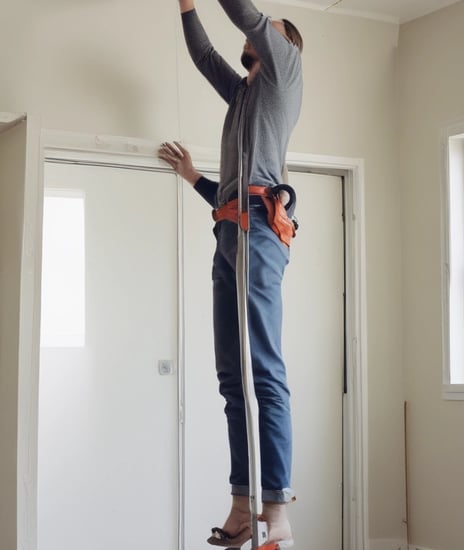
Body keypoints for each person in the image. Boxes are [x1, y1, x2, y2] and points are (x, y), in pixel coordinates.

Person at [158, 0, 303, 547]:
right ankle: (243, 503)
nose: (263, 38)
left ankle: (277, 508)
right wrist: (196, 177)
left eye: (274, 34)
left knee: (263, 371)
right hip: (229, 233)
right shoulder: (244, 94)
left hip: (261, 235)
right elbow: (202, 54)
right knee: (231, 379)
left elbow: (246, 16)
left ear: (283, 47)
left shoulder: (284, 75)